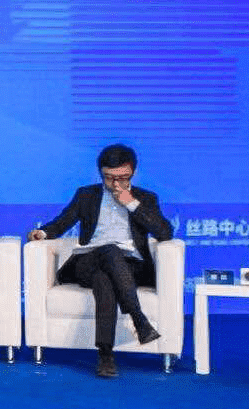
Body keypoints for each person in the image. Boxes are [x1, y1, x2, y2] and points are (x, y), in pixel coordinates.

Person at [29, 143, 172, 379]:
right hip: (88, 260)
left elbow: (165, 233)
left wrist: (131, 203)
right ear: (100, 173)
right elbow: (63, 222)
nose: (115, 184)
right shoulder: (87, 195)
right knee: (109, 250)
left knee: (104, 279)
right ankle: (139, 320)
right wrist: (42, 233)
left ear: (133, 172)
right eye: (109, 178)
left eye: (122, 178)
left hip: (131, 266)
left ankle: (106, 355)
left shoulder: (146, 198)